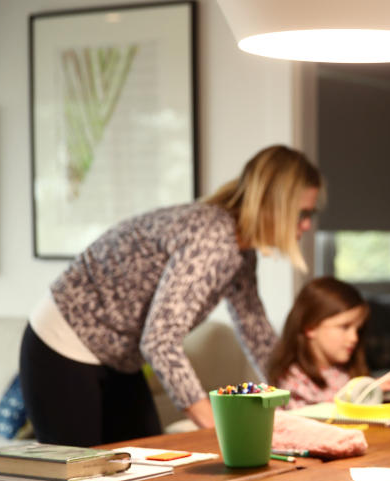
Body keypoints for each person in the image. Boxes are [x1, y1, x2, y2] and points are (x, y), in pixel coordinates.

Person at [19, 144, 322, 447]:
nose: (307, 225)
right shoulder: (211, 239)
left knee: (141, 468)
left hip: (120, 358)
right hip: (62, 344)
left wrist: (297, 401)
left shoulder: (242, 252)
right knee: (76, 480)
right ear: (272, 204)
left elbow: (254, 329)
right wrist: (211, 420)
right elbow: (160, 340)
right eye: (302, 213)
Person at [267, 276, 371, 409]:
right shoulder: (293, 381)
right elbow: (313, 425)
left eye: (358, 329)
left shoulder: (347, 372)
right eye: (344, 327)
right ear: (310, 327)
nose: (354, 338)